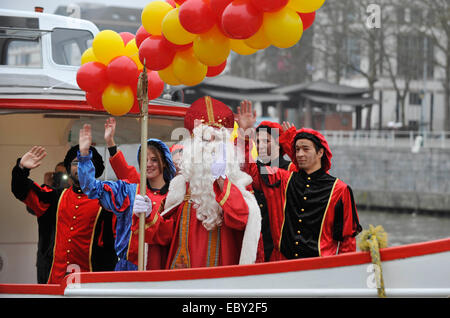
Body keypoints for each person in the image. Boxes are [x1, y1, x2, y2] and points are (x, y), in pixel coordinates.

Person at [78, 96, 261, 269]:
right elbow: (163, 236)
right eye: (203, 140)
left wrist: (221, 181)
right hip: (182, 281)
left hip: (221, 281)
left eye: (215, 142)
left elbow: (241, 221)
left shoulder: (237, 184)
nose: (208, 148)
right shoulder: (180, 188)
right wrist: (149, 215)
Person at [237, 100, 362, 261]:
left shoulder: (339, 190)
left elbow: (347, 240)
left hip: (319, 269)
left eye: (306, 149)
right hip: (280, 265)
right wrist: (244, 135)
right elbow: (252, 170)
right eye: (297, 150)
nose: (300, 154)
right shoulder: (283, 179)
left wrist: (343, 271)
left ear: (320, 153)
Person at [11, 145, 117, 284]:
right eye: (75, 162)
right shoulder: (55, 197)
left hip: (93, 284)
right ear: (69, 168)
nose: (79, 166)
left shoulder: (108, 200)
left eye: (86, 162)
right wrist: (21, 168)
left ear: (94, 167)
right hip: (55, 281)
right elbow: (22, 190)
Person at [103, 117, 176, 270]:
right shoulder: (138, 184)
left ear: (164, 162)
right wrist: (110, 142)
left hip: (155, 266)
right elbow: (122, 169)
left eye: (154, 160)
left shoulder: (173, 194)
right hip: (127, 266)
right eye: (145, 160)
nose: (149, 164)